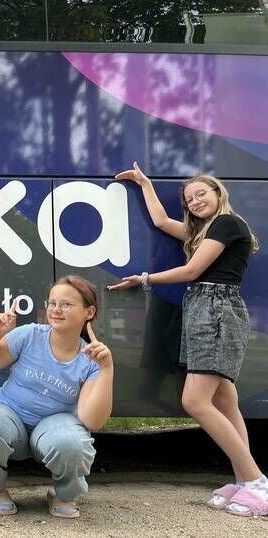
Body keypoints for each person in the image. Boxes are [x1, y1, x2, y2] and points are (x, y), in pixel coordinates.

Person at [109, 162, 267, 517]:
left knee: (195, 400)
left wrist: (145, 279)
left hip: (216, 309)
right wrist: (144, 183)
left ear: (218, 193)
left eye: (201, 194)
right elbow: (162, 222)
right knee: (225, 400)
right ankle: (245, 481)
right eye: (189, 199)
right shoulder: (206, 232)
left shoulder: (227, 223)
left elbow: (193, 270)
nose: (195, 202)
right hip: (205, 309)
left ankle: (257, 481)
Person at [0, 276, 113, 519]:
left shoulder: (91, 359)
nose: (56, 309)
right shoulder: (29, 335)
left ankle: (63, 494)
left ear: (89, 312)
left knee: (73, 443)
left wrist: (106, 369)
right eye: (52, 303)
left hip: (54, 430)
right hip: (10, 419)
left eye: (66, 304)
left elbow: (93, 421)